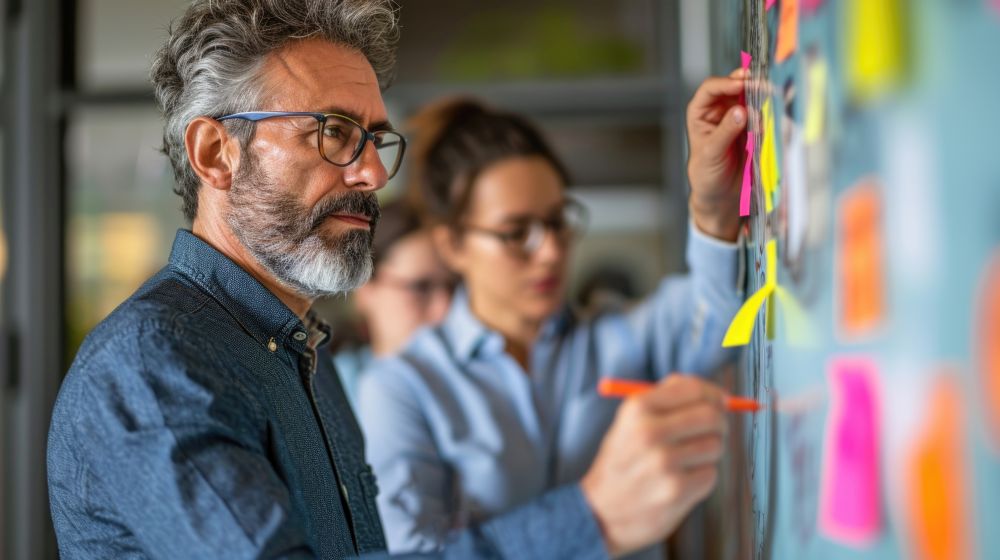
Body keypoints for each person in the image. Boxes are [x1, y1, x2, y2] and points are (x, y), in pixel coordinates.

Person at [46, 0, 750, 558]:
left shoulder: (298, 347)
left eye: (375, 139)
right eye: (332, 132)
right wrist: (592, 516)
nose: (376, 174)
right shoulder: (153, 364)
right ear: (216, 153)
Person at [357, 97, 746, 558]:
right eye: (516, 233)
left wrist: (712, 204)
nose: (550, 252)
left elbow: (720, 316)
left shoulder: (617, 337)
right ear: (452, 244)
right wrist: (593, 511)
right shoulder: (406, 388)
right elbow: (416, 555)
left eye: (557, 222)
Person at [332, 198, 455, 409]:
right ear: (364, 288)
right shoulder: (326, 397)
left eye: (454, 287)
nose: (445, 310)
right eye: (421, 287)